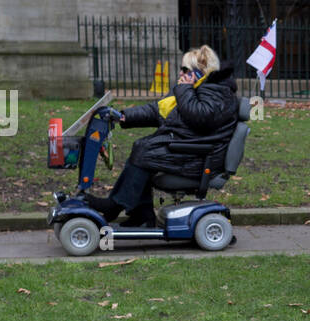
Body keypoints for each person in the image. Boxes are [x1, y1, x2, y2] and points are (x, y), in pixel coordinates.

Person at [85, 45, 239, 227]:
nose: (180, 74)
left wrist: (185, 90)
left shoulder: (217, 92)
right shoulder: (194, 90)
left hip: (203, 157)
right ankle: (141, 213)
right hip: (191, 150)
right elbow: (158, 109)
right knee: (144, 148)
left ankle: (115, 205)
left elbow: (200, 116)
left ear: (200, 71)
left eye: (185, 70)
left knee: (146, 150)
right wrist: (123, 116)